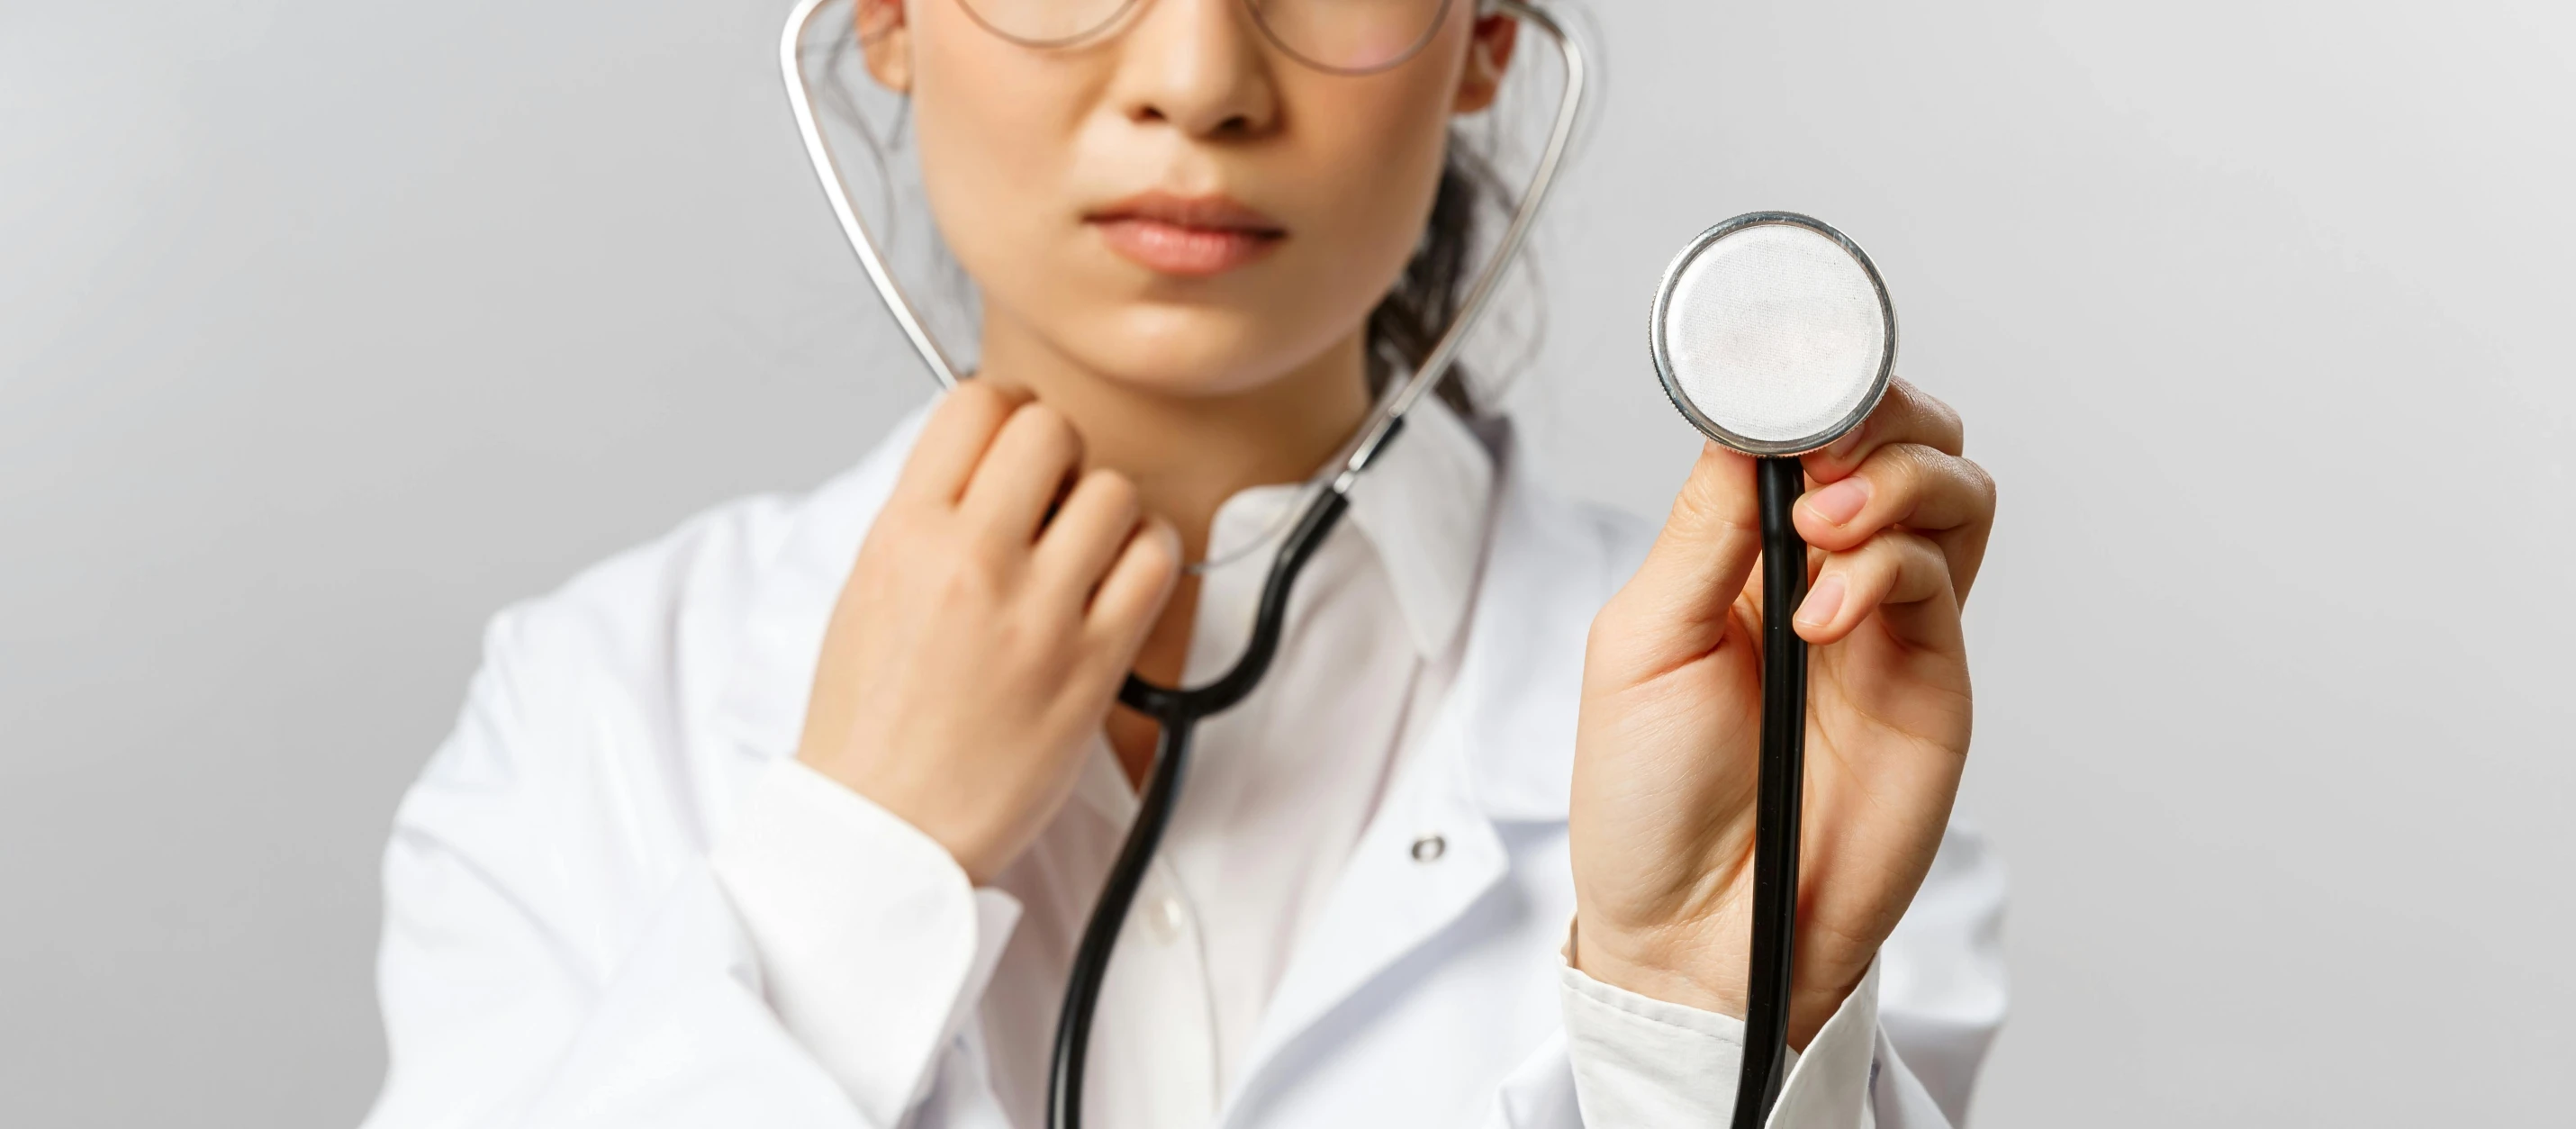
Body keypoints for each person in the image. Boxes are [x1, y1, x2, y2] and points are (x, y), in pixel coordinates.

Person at [361, 0, 2004, 1125]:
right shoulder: (588, 713)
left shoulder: (1790, 730)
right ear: (882, 16)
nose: (1201, 74)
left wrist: (1686, 1007)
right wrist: (857, 858)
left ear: (1485, 34)